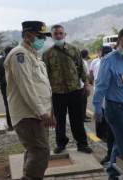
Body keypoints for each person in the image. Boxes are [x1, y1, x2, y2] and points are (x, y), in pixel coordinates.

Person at [4, 21, 55, 179]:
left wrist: (48, 113)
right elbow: (27, 87)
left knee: (34, 151)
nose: (42, 40)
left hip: (37, 114)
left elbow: (42, 87)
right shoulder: (20, 55)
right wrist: (42, 113)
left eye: (44, 37)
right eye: (40, 36)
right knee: (41, 152)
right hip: (29, 115)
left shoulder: (33, 55)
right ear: (27, 35)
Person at [93, 27, 123, 180]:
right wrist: (97, 108)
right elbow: (100, 87)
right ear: (118, 44)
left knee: (120, 145)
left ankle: (112, 175)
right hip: (117, 110)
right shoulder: (109, 61)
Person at [42, 24, 92, 154]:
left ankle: (82, 143)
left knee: (77, 119)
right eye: (55, 34)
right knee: (59, 120)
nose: (58, 35)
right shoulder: (47, 54)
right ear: (52, 37)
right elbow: (44, 75)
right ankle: (61, 143)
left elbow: (82, 69)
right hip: (57, 93)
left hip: (75, 91)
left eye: (60, 33)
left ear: (65, 34)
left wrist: (86, 84)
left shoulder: (74, 50)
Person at [93, 46, 114, 165]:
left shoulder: (113, 62)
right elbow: (98, 84)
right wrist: (98, 104)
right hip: (105, 100)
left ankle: (113, 155)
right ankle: (110, 155)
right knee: (108, 127)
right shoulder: (99, 65)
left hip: (114, 102)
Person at [81, 49, 92, 122]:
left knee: (84, 102)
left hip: (82, 85)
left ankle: (84, 115)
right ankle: (82, 116)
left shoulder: (82, 62)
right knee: (83, 102)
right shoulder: (84, 63)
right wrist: (87, 84)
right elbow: (86, 75)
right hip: (83, 85)